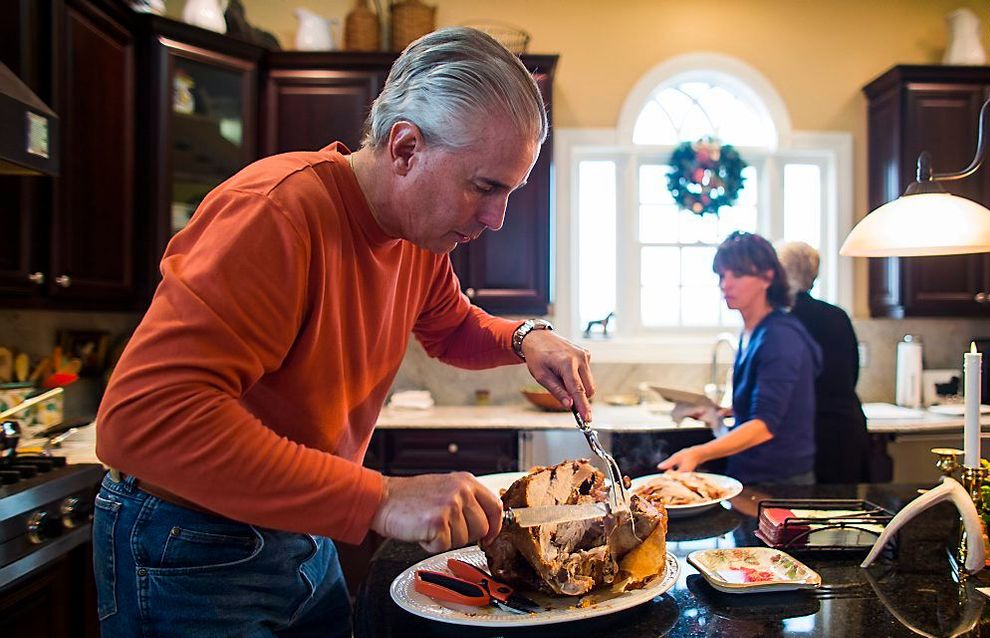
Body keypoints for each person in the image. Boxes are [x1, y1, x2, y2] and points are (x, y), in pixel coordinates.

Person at [92, 28, 596, 637]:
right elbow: (148, 419)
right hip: (191, 543)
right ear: (406, 148)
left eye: (509, 193)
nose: (496, 219)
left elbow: (451, 327)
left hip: (304, 523)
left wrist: (523, 339)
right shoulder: (275, 214)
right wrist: (380, 497)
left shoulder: (416, 239)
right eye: (486, 187)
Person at [657, 232, 821, 485]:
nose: (726, 284)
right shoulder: (752, 331)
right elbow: (775, 401)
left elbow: (764, 425)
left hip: (779, 483)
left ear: (767, 277)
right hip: (753, 473)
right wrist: (726, 412)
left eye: (738, 274)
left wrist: (697, 452)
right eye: (722, 275)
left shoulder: (779, 336)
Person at [778, 241, 870, 484]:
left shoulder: (782, 321)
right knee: (844, 513)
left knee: (808, 514)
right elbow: (853, 372)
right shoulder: (836, 315)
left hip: (809, 433)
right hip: (847, 427)